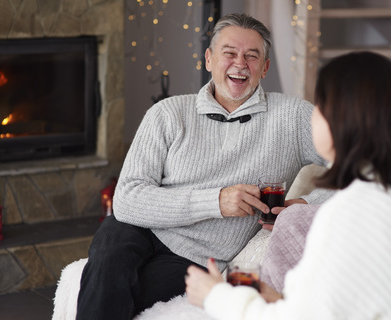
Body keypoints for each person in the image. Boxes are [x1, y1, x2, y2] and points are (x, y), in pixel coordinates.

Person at [76, 13, 329, 320]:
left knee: (117, 294)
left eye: (252, 56)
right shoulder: (167, 113)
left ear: (265, 67)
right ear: (209, 59)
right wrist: (216, 201)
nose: (240, 63)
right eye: (229, 53)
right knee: (106, 266)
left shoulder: (293, 117)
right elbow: (126, 199)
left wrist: (304, 204)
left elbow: (364, 168)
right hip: (134, 228)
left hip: (195, 256)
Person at [185, 51, 391, 319]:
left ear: (341, 120)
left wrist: (215, 296)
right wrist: (271, 297)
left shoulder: (350, 212)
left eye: (318, 106)